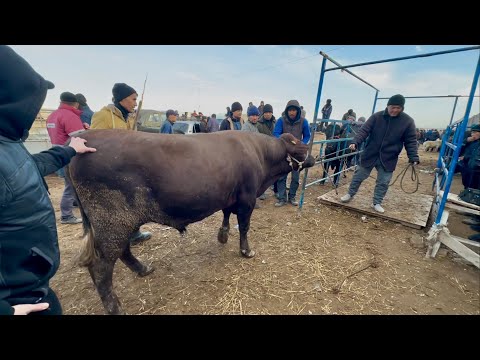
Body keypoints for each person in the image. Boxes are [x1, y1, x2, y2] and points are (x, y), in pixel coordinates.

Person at [0, 45, 97, 315]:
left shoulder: (8, 142)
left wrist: (67, 151)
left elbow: (26, 167)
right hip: (15, 299)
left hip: (32, 287)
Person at [89, 83, 152, 244]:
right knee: (117, 205)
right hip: (111, 168)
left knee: (134, 202)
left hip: (128, 167)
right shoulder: (103, 115)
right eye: (133, 99)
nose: (135, 103)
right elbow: (95, 142)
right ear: (123, 99)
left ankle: (134, 233)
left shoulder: (128, 117)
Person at [340, 94, 419, 213]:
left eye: (398, 108)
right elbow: (364, 130)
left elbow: (411, 140)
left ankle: (377, 202)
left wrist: (413, 156)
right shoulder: (376, 117)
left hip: (389, 157)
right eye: (393, 107)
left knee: (383, 181)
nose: (395, 110)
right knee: (359, 175)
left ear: (402, 108)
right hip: (370, 153)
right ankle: (350, 194)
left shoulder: (407, 121)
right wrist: (355, 142)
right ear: (388, 106)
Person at [46, 92, 86, 224]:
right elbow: (79, 137)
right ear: (76, 104)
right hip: (69, 154)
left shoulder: (52, 115)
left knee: (67, 182)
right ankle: (66, 215)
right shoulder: (70, 116)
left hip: (57, 152)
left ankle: (71, 206)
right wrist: (87, 132)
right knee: (71, 185)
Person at [273, 100, 311, 207]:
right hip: (284, 153)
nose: (292, 112)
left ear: (298, 111)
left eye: (294, 110)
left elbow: (307, 135)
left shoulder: (304, 122)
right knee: (281, 177)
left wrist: (301, 144)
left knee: (295, 177)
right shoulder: (281, 120)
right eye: (290, 110)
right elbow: (276, 133)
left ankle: (292, 197)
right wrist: (283, 142)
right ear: (287, 111)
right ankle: (282, 198)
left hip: (297, 155)